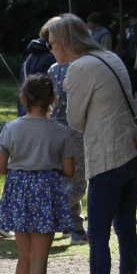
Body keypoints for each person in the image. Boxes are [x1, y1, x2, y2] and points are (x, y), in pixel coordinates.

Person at [49, 13, 137, 274]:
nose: (51, 50)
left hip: (107, 161)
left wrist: (69, 88)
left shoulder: (79, 67)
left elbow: (75, 121)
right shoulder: (111, 57)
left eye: (52, 44)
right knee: (126, 230)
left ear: (64, 43)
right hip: (133, 155)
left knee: (98, 237)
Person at [0, 75, 79, 274]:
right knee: (40, 260)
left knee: (25, 258)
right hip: (46, 194)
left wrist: (21, 173)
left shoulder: (11, 127)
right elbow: (70, 170)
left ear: (24, 99)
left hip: (18, 194)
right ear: (53, 100)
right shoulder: (59, 130)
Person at [0, 24, 57, 239]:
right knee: (31, 174)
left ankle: (0, 215)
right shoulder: (50, 60)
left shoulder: (30, 59)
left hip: (24, 118)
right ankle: (0, 214)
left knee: (22, 173)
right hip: (40, 121)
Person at [45, 27, 89, 245]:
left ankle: (76, 228)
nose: (50, 49)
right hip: (75, 131)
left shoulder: (53, 70)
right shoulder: (80, 68)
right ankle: (54, 214)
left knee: (64, 180)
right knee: (78, 183)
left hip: (55, 129)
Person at [117, 12, 137, 109]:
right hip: (128, 58)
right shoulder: (128, 29)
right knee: (129, 82)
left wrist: (129, 35)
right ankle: (130, 106)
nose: (129, 20)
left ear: (136, 18)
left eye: (131, 18)